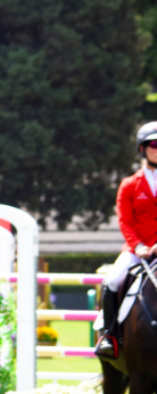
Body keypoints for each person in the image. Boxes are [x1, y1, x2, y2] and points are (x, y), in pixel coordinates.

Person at [96, 121, 157, 359]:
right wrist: (139, 246)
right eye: (154, 144)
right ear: (143, 149)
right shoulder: (129, 185)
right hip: (137, 250)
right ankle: (109, 336)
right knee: (111, 281)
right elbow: (125, 221)